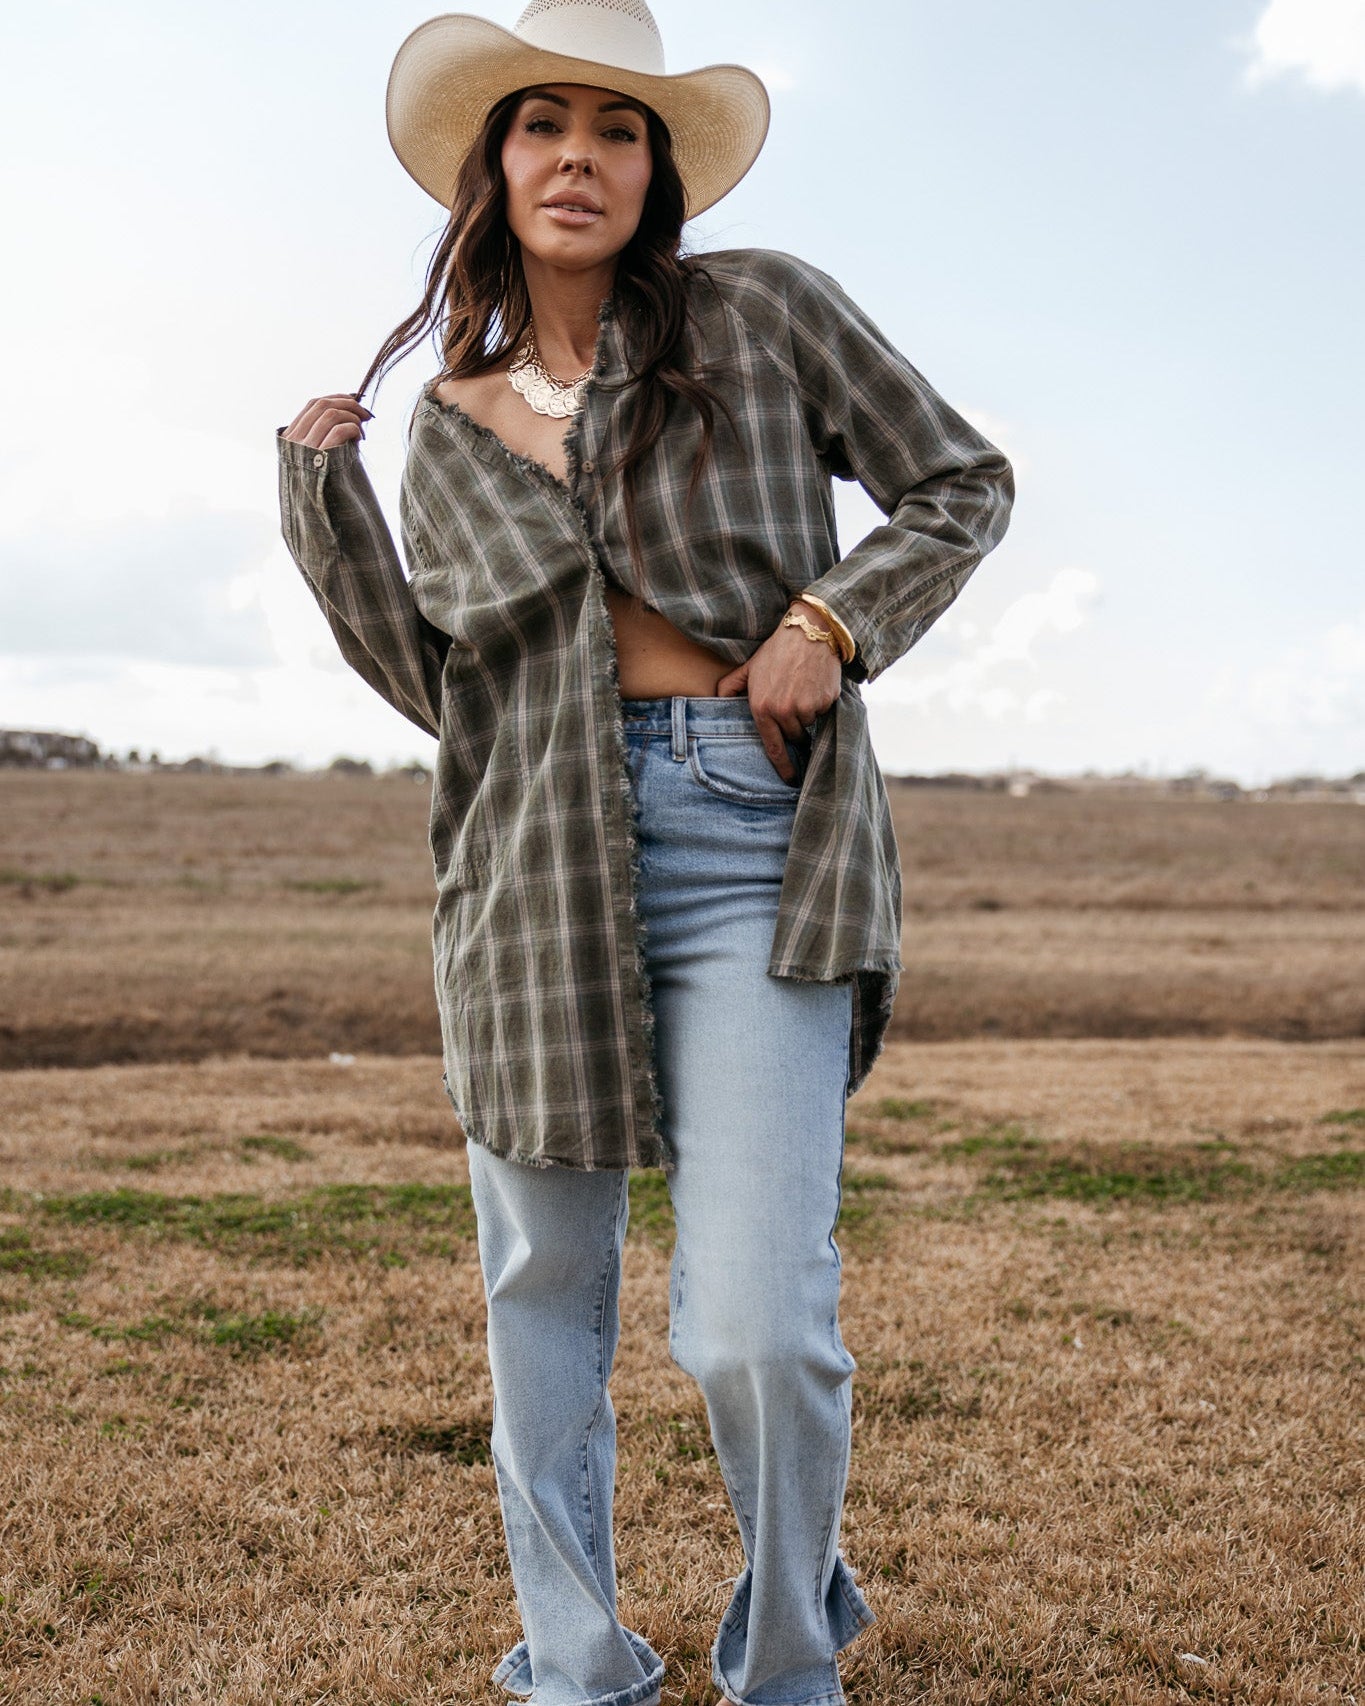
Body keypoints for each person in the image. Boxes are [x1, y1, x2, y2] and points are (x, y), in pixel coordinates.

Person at [277, 3, 1014, 1701]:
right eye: (541, 127)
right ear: (494, 167)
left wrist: (831, 616)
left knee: (756, 1316)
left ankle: (782, 1661)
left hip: (750, 832)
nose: (577, 158)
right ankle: (572, 1657)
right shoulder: (449, 418)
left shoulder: (765, 308)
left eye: (616, 131)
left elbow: (957, 483)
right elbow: (440, 687)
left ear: (655, 169)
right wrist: (327, 509)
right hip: (527, 851)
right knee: (541, 1281)